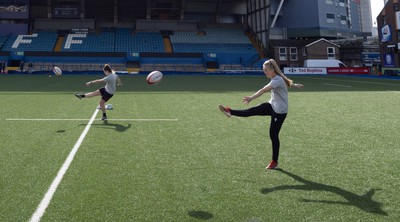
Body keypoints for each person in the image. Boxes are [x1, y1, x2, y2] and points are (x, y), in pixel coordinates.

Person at [219, 59, 303, 170]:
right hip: (272, 105)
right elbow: (285, 79)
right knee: (251, 111)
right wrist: (294, 85)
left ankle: (274, 161)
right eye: (264, 70)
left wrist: (251, 98)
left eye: (266, 70)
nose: (265, 72)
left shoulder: (277, 80)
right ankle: (230, 111)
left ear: (272, 69)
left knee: (273, 135)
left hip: (280, 111)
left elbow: (263, 90)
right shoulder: (276, 77)